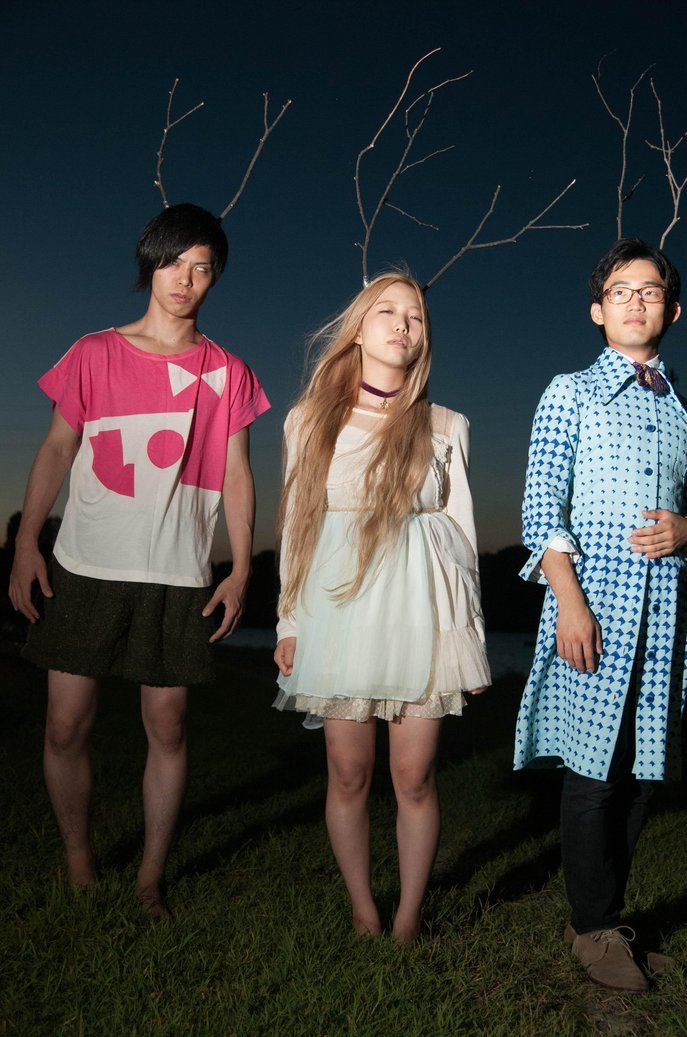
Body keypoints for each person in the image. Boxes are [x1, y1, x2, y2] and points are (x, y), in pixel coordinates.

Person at [9, 203, 269, 917]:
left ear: (214, 278)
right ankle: (79, 861)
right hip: (86, 564)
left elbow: (238, 474)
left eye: (201, 267)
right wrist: (27, 543)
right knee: (65, 725)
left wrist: (241, 568)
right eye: (173, 262)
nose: (185, 278)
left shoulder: (228, 372)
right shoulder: (93, 352)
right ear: (149, 264)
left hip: (178, 574)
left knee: (169, 727)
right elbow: (57, 447)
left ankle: (150, 876)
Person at [514, 239, 687, 992]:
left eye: (650, 290)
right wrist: (569, 603)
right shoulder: (570, 392)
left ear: (673, 310)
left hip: (663, 618)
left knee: (642, 774)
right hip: (592, 609)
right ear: (597, 311)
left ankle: (607, 919)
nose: (636, 300)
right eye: (620, 291)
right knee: (593, 773)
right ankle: (594, 928)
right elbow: (541, 508)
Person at [273, 272, 490, 943]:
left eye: (415, 316)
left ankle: (407, 919)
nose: (402, 324)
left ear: (424, 337)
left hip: (421, 611)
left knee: (414, 775)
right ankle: (364, 911)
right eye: (387, 312)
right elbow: (299, 525)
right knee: (349, 773)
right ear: (359, 331)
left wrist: (470, 638)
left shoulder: (446, 424)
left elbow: (462, 539)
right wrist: (288, 620)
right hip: (336, 610)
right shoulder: (310, 419)